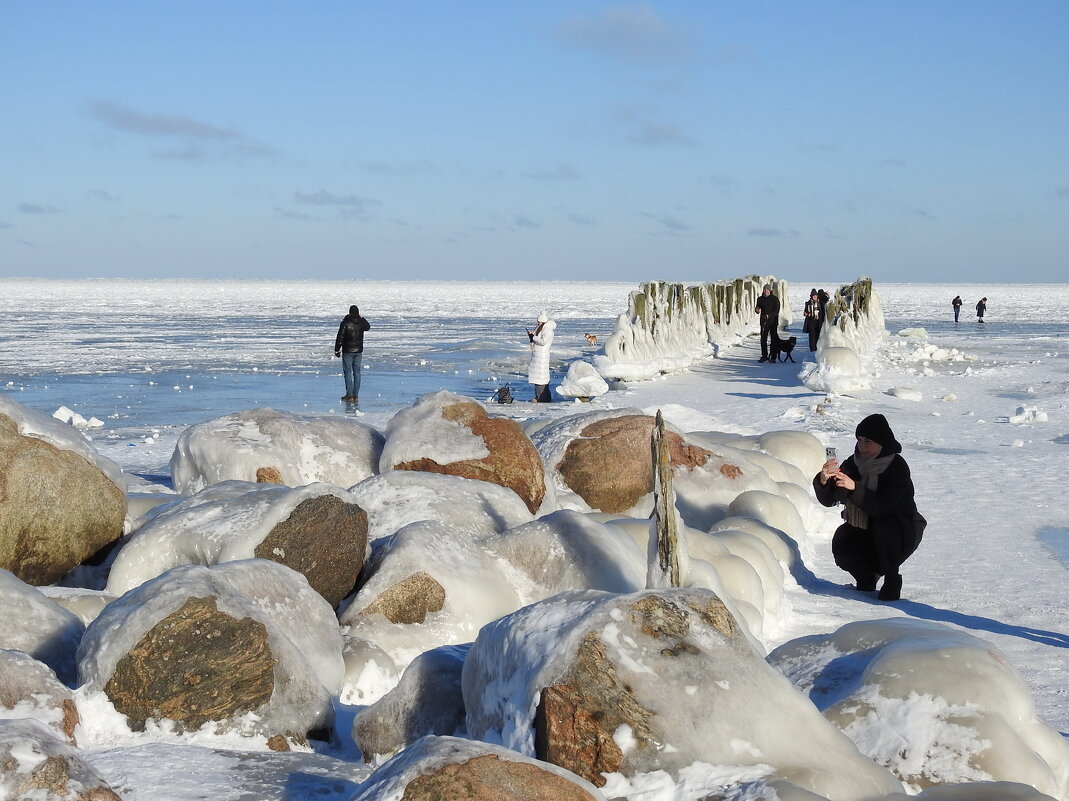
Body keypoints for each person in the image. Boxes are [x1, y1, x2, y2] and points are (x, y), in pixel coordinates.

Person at [813, 414, 924, 601]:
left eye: (868, 441)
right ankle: (867, 576)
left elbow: (883, 508)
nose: (862, 446)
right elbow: (831, 500)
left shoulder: (897, 466)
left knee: (884, 527)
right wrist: (824, 480)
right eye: (859, 440)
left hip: (902, 528)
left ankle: (892, 577)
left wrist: (855, 487)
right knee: (843, 541)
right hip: (867, 527)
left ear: (881, 443)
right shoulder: (853, 463)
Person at [334, 304, 371, 402]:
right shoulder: (360, 322)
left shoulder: (345, 322)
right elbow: (367, 327)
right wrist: (362, 318)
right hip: (358, 351)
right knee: (357, 373)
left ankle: (349, 395)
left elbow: (340, 336)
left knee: (347, 372)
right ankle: (355, 395)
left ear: (349, 312)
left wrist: (337, 349)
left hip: (347, 351)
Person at [527, 310, 556, 402]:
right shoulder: (541, 328)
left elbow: (543, 342)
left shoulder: (547, 330)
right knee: (539, 377)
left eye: (538, 321)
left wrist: (533, 337)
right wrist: (532, 336)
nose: (537, 323)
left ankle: (541, 397)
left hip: (542, 355)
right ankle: (542, 396)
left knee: (540, 378)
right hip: (538, 354)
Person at [754, 284, 780, 362]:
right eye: (764, 289)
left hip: (773, 322)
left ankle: (773, 356)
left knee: (773, 340)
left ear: (770, 290)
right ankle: (764, 355)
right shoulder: (760, 299)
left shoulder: (775, 299)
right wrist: (757, 310)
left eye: (767, 290)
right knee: (763, 339)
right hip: (764, 322)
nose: (766, 291)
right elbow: (758, 307)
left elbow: (776, 311)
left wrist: (769, 316)